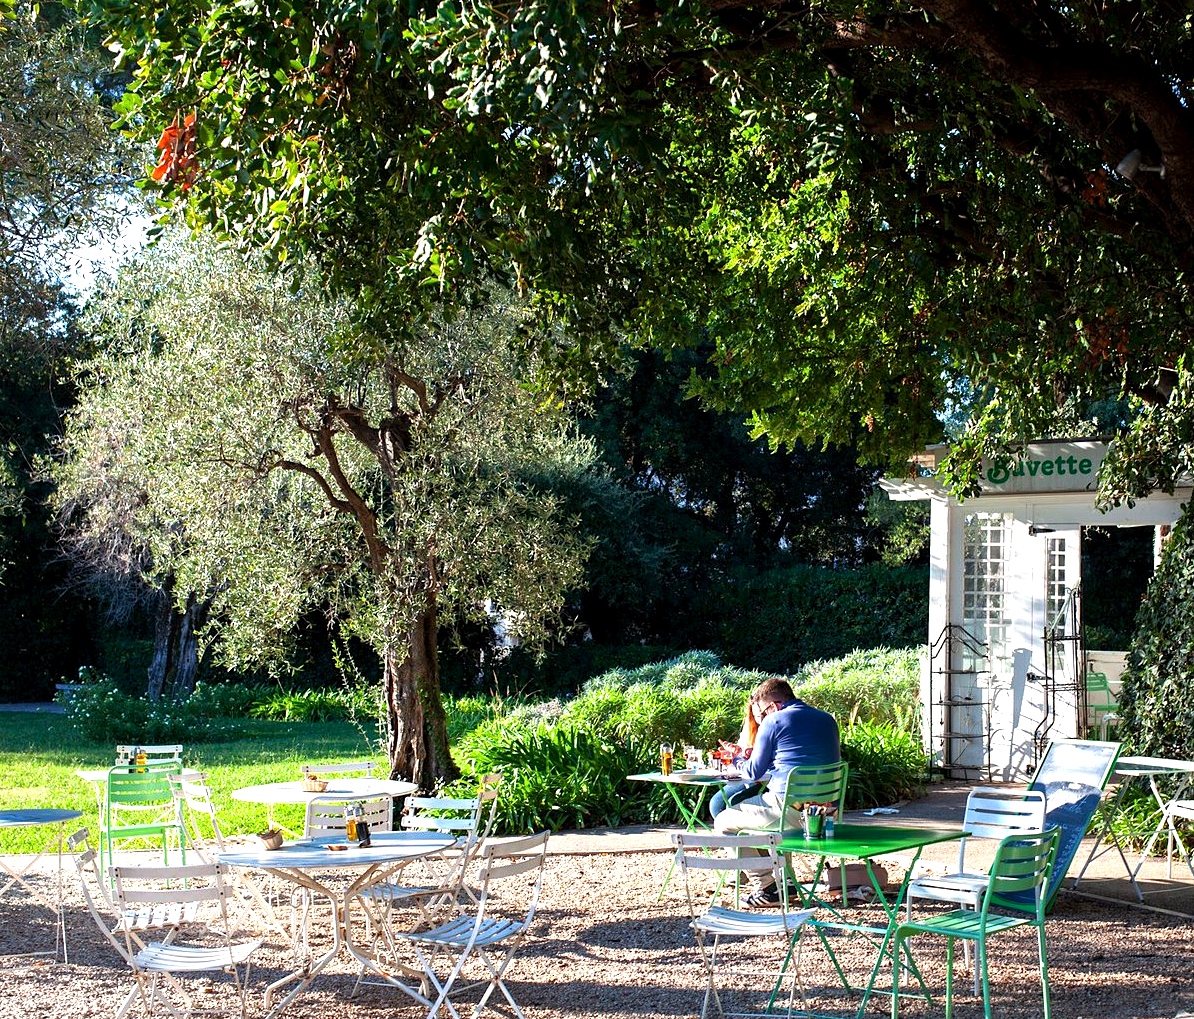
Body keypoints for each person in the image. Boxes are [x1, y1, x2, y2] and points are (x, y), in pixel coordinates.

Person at [712, 676, 840, 906]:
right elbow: (798, 759)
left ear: (773, 705)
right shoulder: (826, 719)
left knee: (723, 822)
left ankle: (767, 887)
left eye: (760, 714)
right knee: (769, 822)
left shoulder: (775, 721)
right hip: (826, 814)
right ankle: (786, 883)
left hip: (790, 811)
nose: (760, 720)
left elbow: (752, 773)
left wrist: (738, 758)